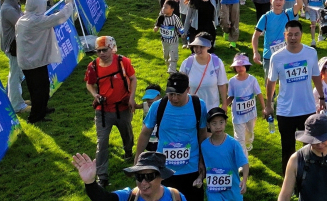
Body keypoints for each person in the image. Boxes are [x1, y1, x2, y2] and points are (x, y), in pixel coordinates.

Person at [135, 72, 209, 201]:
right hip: (164, 170)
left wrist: (203, 160)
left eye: (178, 94)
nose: (174, 98)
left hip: (191, 169)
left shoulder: (198, 105)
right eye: (171, 94)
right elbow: (145, 133)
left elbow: (203, 134)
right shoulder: (158, 106)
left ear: (188, 90)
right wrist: (137, 159)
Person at [266, 19, 322, 169]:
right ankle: (288, 179)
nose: (293, 38)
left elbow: (316, 76)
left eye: (296, 34)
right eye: (290, 34)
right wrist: (268, 105)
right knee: (288, 149)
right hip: (286, 111)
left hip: (307, 109)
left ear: (301, 35)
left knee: (309, 147)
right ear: (285, 35)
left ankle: (308, 176)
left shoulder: (311, 53)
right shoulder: (277, 57)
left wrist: (322, 97)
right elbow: (271, 82)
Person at [85, 36, 138, 186]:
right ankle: (102, 176)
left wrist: (132, 98)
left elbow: (133, 78)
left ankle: (128, 151)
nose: (101, 53)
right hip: (103, 111)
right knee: (102, 142)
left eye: (104, 50)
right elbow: (89, 84)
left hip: (123, 108)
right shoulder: (93, 66)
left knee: (127, 133)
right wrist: (95, 95)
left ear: (112, 48)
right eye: (98, 51)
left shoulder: (123, 62)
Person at [16, 0, 74, 123]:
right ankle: (35, 117)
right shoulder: (35, 21)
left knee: (40, 87)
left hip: (30, 61)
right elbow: (59, 17)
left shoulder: (23, 19)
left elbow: (50, 19)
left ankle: (42, 109)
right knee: (39, 89)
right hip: (33, 62)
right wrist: (69, 4)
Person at [74, 150, 188, 201]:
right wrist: (90, 182)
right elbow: (104, 199)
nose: (143, 182)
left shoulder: (176, 197)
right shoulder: (129, 197)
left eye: (149, 177)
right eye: (139, 177)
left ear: (161, 176)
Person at [199, 106, 249, 201]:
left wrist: (244, 180)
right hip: (214, 193)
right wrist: (200, 178)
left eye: (221, 122)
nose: (218, 126)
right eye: (214, 123)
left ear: (226, 123)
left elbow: (244, 164)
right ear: (208, 125)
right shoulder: (204, 146)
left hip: (233, 192)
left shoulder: (233, 144)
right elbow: (204, 167)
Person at [225, 53, 263, 154]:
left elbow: (259, 93)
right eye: (237, 66)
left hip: (251, 114)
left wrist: (264, 108)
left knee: (249, 132)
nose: (240, 68)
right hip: (238, 115)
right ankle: (243, 159)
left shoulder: (252, 79)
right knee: (239, 139)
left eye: (242, 65)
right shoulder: (232, 81)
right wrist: (224, 106)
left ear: (246, 66)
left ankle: (248, 142)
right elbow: (231, 96)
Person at [0, 0, 28, 113]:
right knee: (15, 75)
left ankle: (11, 99)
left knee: (18, 73)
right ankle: (17, 105)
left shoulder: (13, 6)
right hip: (12, 46)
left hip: (15, 44)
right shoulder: (8, 10)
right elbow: (21, 24)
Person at [179, 34, 228, 110]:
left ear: (209, 47)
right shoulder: (186, 64)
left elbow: (222, 84)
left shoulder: (217, 62)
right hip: (192, 108)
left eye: (201, 47)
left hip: (212, 108)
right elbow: (180, 86)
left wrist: (224, 104)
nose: (198, 49)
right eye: (196, 46)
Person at [253, 0, 300, 69]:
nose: (278, 2)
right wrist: (255, 52)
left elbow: (299, 5)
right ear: (271, 0)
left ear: (284, 1)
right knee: (269, 77)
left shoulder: (288, 14)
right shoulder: (265, 17)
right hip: (269, 57)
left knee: (285, 77)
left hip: (285, 55)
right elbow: (255, 36)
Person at [155, 0, 185, 73]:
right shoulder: (161, 17)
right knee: (166, 56)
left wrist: (182, 34)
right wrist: (156, 27)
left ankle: (172, 71)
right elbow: (157, 24)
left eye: (166, 7)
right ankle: (169, 67)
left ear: (172, 9)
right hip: (164, 41)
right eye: (163, 6)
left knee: (173, 55)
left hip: (173, 41)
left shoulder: (175, 18)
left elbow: (180, 27)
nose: (163, 9)